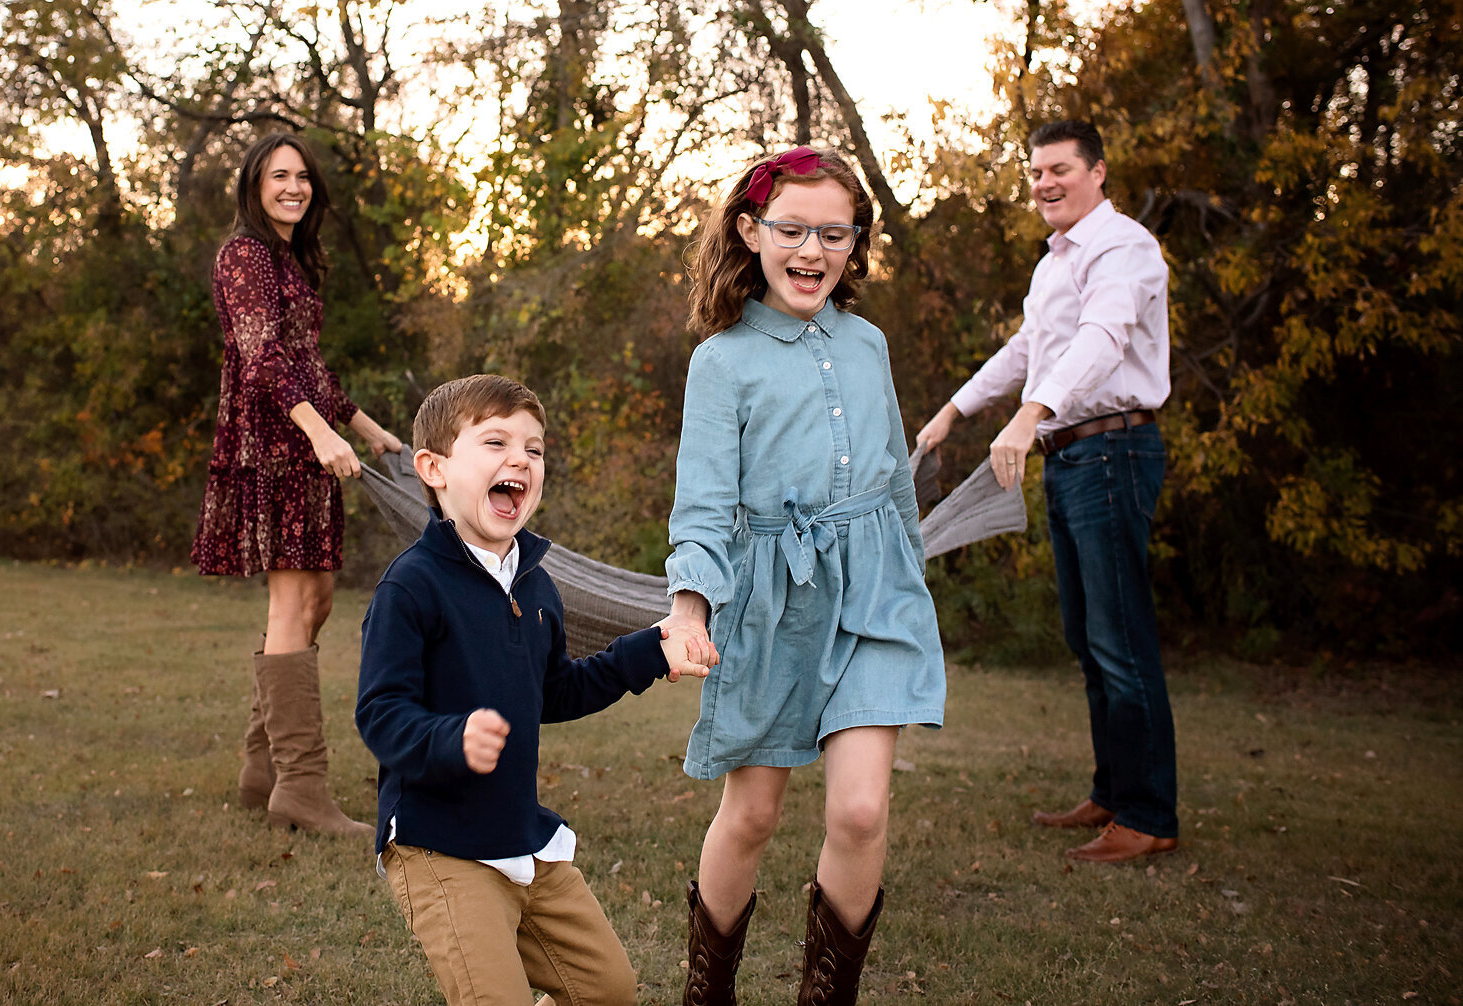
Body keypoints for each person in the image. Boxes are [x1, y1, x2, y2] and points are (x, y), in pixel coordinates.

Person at [662, 146, 946, 1006]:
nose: (812, 251)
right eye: (792, 230)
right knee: (751, 815)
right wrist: (688, 607)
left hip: (876, 593)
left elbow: (895, 474)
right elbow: (705, 508)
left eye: (834, 233)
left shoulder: (868, 345)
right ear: (751, 232)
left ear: (856, 244)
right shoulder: (721, 361)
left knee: (860, 811)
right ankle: (707, 990)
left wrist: (911, 577)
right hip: (770, 605)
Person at [355, 374, 715, 1006]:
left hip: (524, 841)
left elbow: (557, 692)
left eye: (535, 448)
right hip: (439, 846)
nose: (520, 458)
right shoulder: (410, 588)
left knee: (610, 993)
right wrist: (451, 736)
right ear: (433, 468)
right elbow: (380, 714)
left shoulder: (537, 584)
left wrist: (651, 649)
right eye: (495, 442)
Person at [915, 120, 1179, 864]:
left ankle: (1150, 813)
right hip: (1070, 457)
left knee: (1120, 639)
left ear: (1098, 172)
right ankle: (1113, 791)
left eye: (1060, 169)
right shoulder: (1054, 263)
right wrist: (954, 411)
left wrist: (1033, 413)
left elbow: (1101, 338)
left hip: (1112, 449)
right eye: (1035, 173)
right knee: (1089, 639)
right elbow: (1027, 349)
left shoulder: (1122, 247)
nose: (1045, 184)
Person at [191, 132, 403, 839]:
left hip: (310, 442)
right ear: (253, 185)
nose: (294, 186)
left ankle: (263, 770)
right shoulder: (243, 256)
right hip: (272, 445)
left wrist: (367, 428)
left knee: (312, 604)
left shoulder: (293, 261)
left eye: (303, 176)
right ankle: (303, 788)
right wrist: (317, 432)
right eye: (279, 175)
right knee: (291, 601)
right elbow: (260, 361)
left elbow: (309, 365)